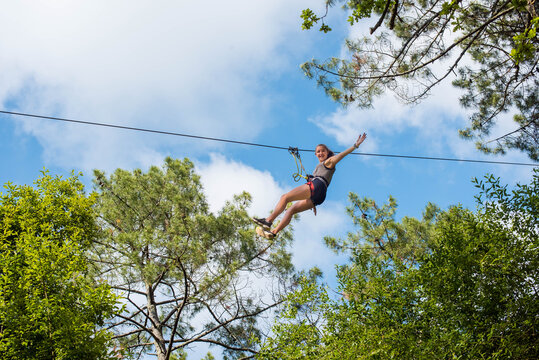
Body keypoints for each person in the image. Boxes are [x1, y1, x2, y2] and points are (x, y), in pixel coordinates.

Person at [253, 133, 367, 239]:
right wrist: (312, 200)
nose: (321, 153)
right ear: (315, 154)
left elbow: (341, 155)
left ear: (327, 153)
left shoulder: (329, 162)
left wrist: (355, 145)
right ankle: (273, 233)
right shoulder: (319, 167)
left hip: (317, 186)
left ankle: (268, 221)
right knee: (291, 210)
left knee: (285, 197)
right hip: (319, 195)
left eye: (323, 151)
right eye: (318, 151)